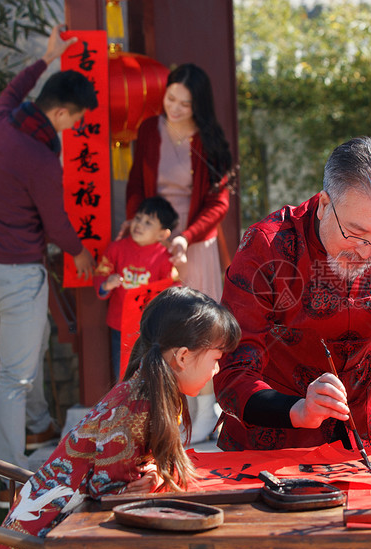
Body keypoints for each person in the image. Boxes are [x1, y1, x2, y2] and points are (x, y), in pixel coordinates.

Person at [215, 136, 371, 465]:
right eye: (354, 232)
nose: (366, 250)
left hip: (365, 432)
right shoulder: (268, 248)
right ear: (323, 204)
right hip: (273, 436)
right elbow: (235, 369)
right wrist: (296, 410)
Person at [0, 286, 241, 549]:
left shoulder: (147, 391)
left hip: (54, 531)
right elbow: (107, 494)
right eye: (216, 359)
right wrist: (140, 483)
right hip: (45, 545)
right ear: (182, 357)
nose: (216, 371)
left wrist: (150, 472)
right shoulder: (137, 408)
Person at [0, 25, 97, 495]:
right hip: (19, 274)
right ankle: (9, 476)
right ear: (61, 112)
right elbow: (57, 224)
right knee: (14, 376)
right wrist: (82, 254)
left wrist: (46, 59)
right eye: (74, 120)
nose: (72, 128)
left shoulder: (3, 121)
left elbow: (14, 88)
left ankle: (40, 426)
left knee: (34, 346)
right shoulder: (39, 157)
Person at [124, 63, 234, 440]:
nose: (174, 108)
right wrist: (140, 226)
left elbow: (218, 203)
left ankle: (206, 406)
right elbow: (137, 183)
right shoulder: (149, 131)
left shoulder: (211, 139)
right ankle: (170, 407)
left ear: (198, 106)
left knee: (198, 326)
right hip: (155, 239)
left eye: (184, 104)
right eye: (170, 98)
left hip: (195, 241)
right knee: (159, 325)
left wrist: (186, 235)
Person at [93, 196, 189, 376]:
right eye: (138, 218)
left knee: (151, 373)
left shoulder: (164, 257)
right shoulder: (116, 249)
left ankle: (148, 404)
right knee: (122, 373)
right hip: (119, 323)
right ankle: (124, 403)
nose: (139, 225)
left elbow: (171, 288)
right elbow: (100, 274)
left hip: (150, 327)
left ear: (162, 234)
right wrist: (106, 284)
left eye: (148, 222)